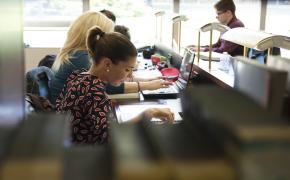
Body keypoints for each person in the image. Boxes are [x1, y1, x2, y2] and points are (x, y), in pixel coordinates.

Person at [56, 26, 174, 145]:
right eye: (127, 69)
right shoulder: (93, 91)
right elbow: (114, 137)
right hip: (84, 156)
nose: (129, 76)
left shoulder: (78, 76)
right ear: (107, 64)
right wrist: (150, 113)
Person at [50, 11, 171, 105]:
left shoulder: (77, 53)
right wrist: (149, 86)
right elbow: (110, 86)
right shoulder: (80, 57)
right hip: (67, 126)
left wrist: (149, 81)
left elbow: (113, 78)